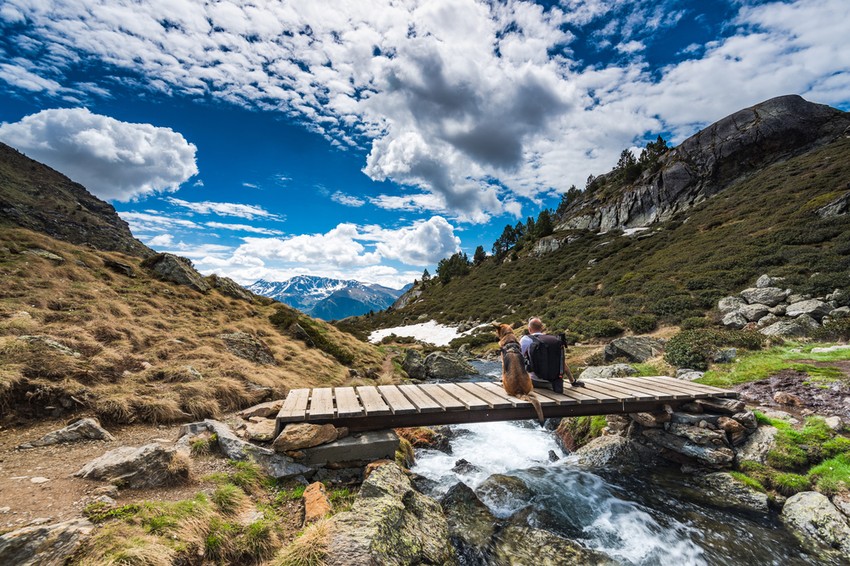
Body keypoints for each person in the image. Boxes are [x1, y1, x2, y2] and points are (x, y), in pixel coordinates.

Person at [520, 317, 579, 393]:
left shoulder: (526, 339)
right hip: (553, 383)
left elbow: (517, 359)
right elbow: (562, 363)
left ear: (529, 329)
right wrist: (573, 381)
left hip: (534, 382)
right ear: (542, 328)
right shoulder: (554, 340)